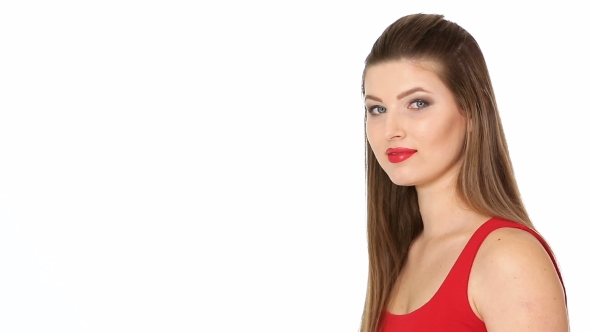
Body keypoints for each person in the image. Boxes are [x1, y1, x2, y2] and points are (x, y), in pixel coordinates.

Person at [359, 13, 569, 332]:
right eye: (377, 109)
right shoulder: (402, 251)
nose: (390, 130)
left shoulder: (509, 259)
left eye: (417, 103)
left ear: (470, 111)